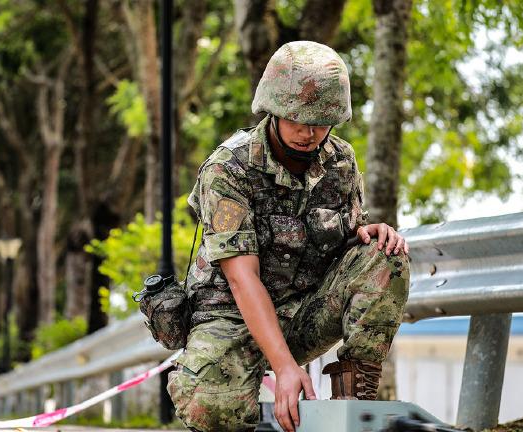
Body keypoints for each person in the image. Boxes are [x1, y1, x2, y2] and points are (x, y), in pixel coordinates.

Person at [168, 40, 410, 432]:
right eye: (297, 118)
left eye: (321, 120)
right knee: (211, 410)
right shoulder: (229, 168)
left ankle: (353, 407)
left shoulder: (340, 161)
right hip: (230, 317)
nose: (309, 131)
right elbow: (240, 277)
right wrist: (283, 366)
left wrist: (366, 233)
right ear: (275, 109)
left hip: (302, 312)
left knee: (386, 253)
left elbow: (346, 245)